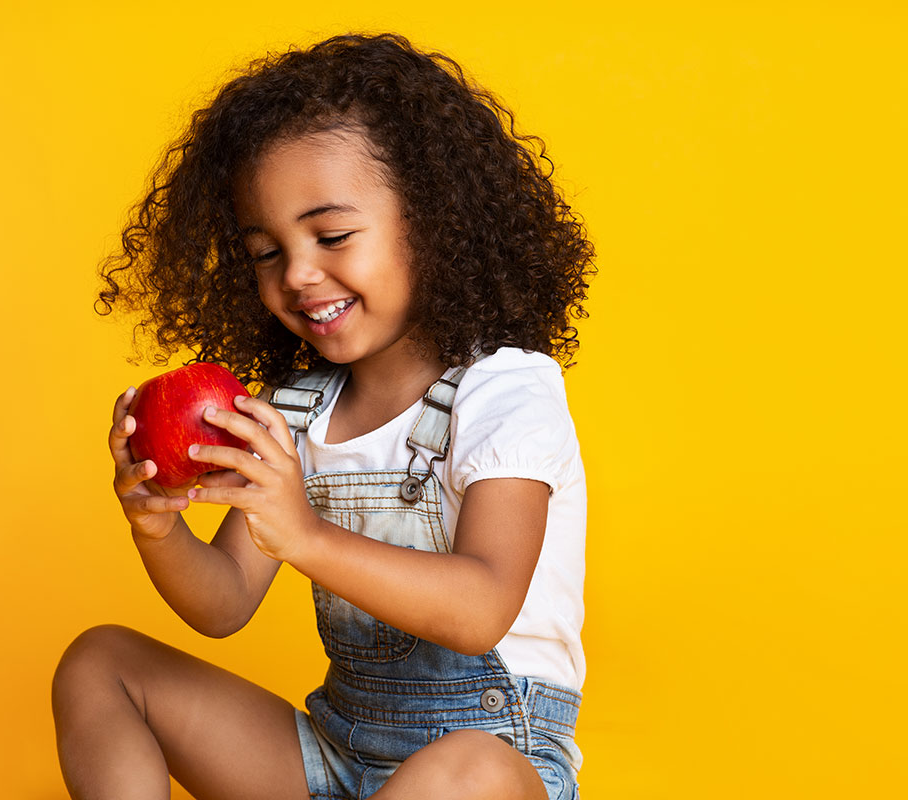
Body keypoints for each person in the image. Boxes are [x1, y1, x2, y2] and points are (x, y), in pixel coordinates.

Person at [53, 32, 596, 800]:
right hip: (336, 759)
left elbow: (480, 609)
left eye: (331, 236)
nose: (299, 275)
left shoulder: (505, 389)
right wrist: (159, 527)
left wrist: (303, 533)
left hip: (487, 770)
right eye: (266, 252)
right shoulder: (297, 412)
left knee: (464, 771)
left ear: (432, 221)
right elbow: (223, 602)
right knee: (99, 663)